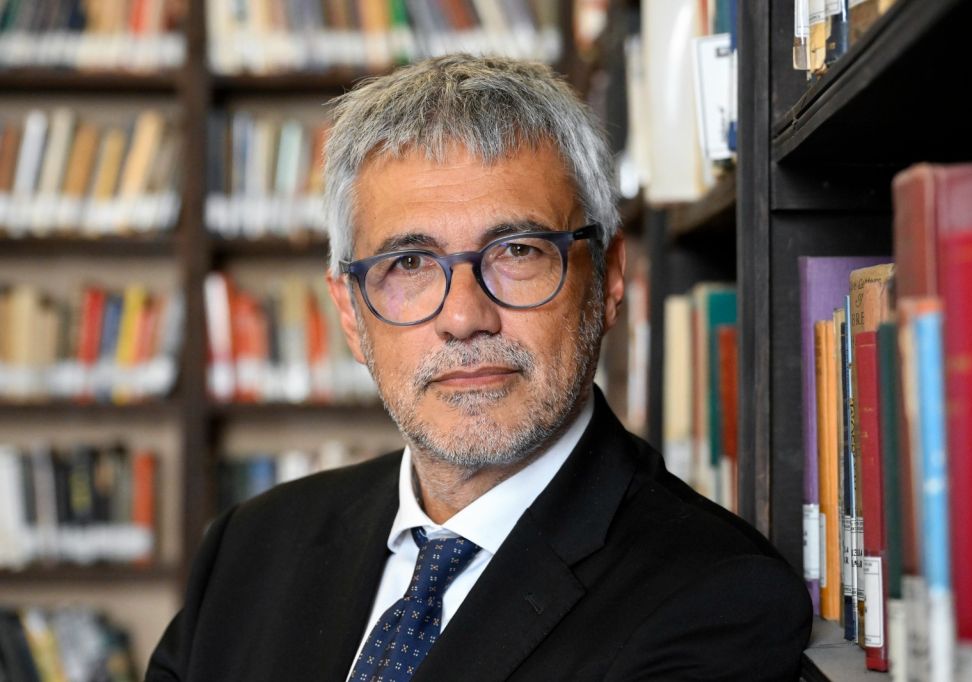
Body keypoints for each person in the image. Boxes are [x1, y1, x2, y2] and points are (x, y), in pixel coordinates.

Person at [146, 54, 811, 682]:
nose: (464, 317)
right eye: (408, 263)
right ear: (350, 312)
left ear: (608, 279)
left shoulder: (716, 598)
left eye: (517, 251)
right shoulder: (249, 548)